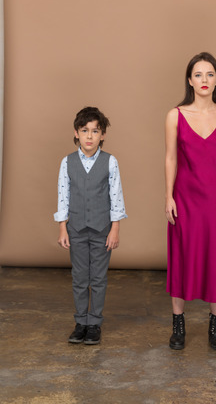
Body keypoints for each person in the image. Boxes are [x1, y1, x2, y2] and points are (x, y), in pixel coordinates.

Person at [165, 52, 216, 351]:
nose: (204, 80)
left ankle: (215, 326)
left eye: (210, 74)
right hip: (184, 196)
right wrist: (167, 195)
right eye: (198, 74)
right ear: (189, 80)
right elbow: (170, 157)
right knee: (181, 255)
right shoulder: (175, 115)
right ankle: (178, 324)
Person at [54, 106, 127, 345]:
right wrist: (62, 227)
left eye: (95, 131)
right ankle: (80, 322)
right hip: (75, 228)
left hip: (101, 229)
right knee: (79, 277)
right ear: (76, 132)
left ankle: (94, 323)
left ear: (102, 135)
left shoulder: (110, 162)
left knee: (97, 278)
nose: (89, 136)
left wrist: (115, 228)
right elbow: (63, 195)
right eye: (84, 130)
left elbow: (115, 196)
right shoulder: (67, 162)